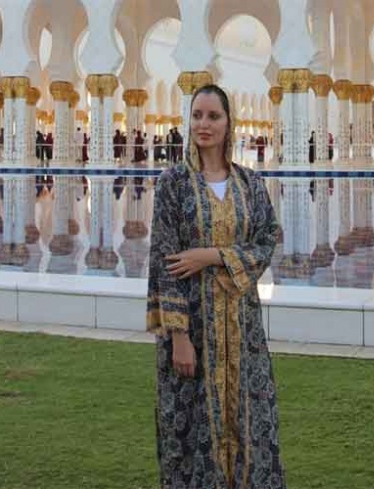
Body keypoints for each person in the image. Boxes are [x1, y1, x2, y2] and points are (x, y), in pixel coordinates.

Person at [146, 84, 285, 489]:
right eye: (197, 115)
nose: (203, 124)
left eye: (213, 116)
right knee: (191, 425)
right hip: (194, 329)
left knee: (249, 419)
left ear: (228, 123)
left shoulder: (249, 184)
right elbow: (164, 261)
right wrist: (179, 337)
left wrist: (212, 256)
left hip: (243, 332)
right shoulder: (174, 184)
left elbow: (266, 242)